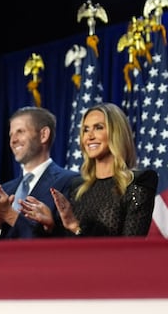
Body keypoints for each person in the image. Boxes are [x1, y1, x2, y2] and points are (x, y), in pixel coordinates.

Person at [28, 102, 157, 237]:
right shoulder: (77, 186)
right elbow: (67, 244)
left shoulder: (139, 181)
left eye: (98, 128)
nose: (89, 136)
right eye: (85, 130)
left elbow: (131, 246)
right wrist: (50, 225)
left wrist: (75, 227)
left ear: (117, 133)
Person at [0, 106, 78, 239]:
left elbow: (64, 241)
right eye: (11, 135)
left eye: (20, 132)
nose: (13, 140)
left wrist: (9, 215)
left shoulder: (71, 182)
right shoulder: (5, 190)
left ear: (44, 135)